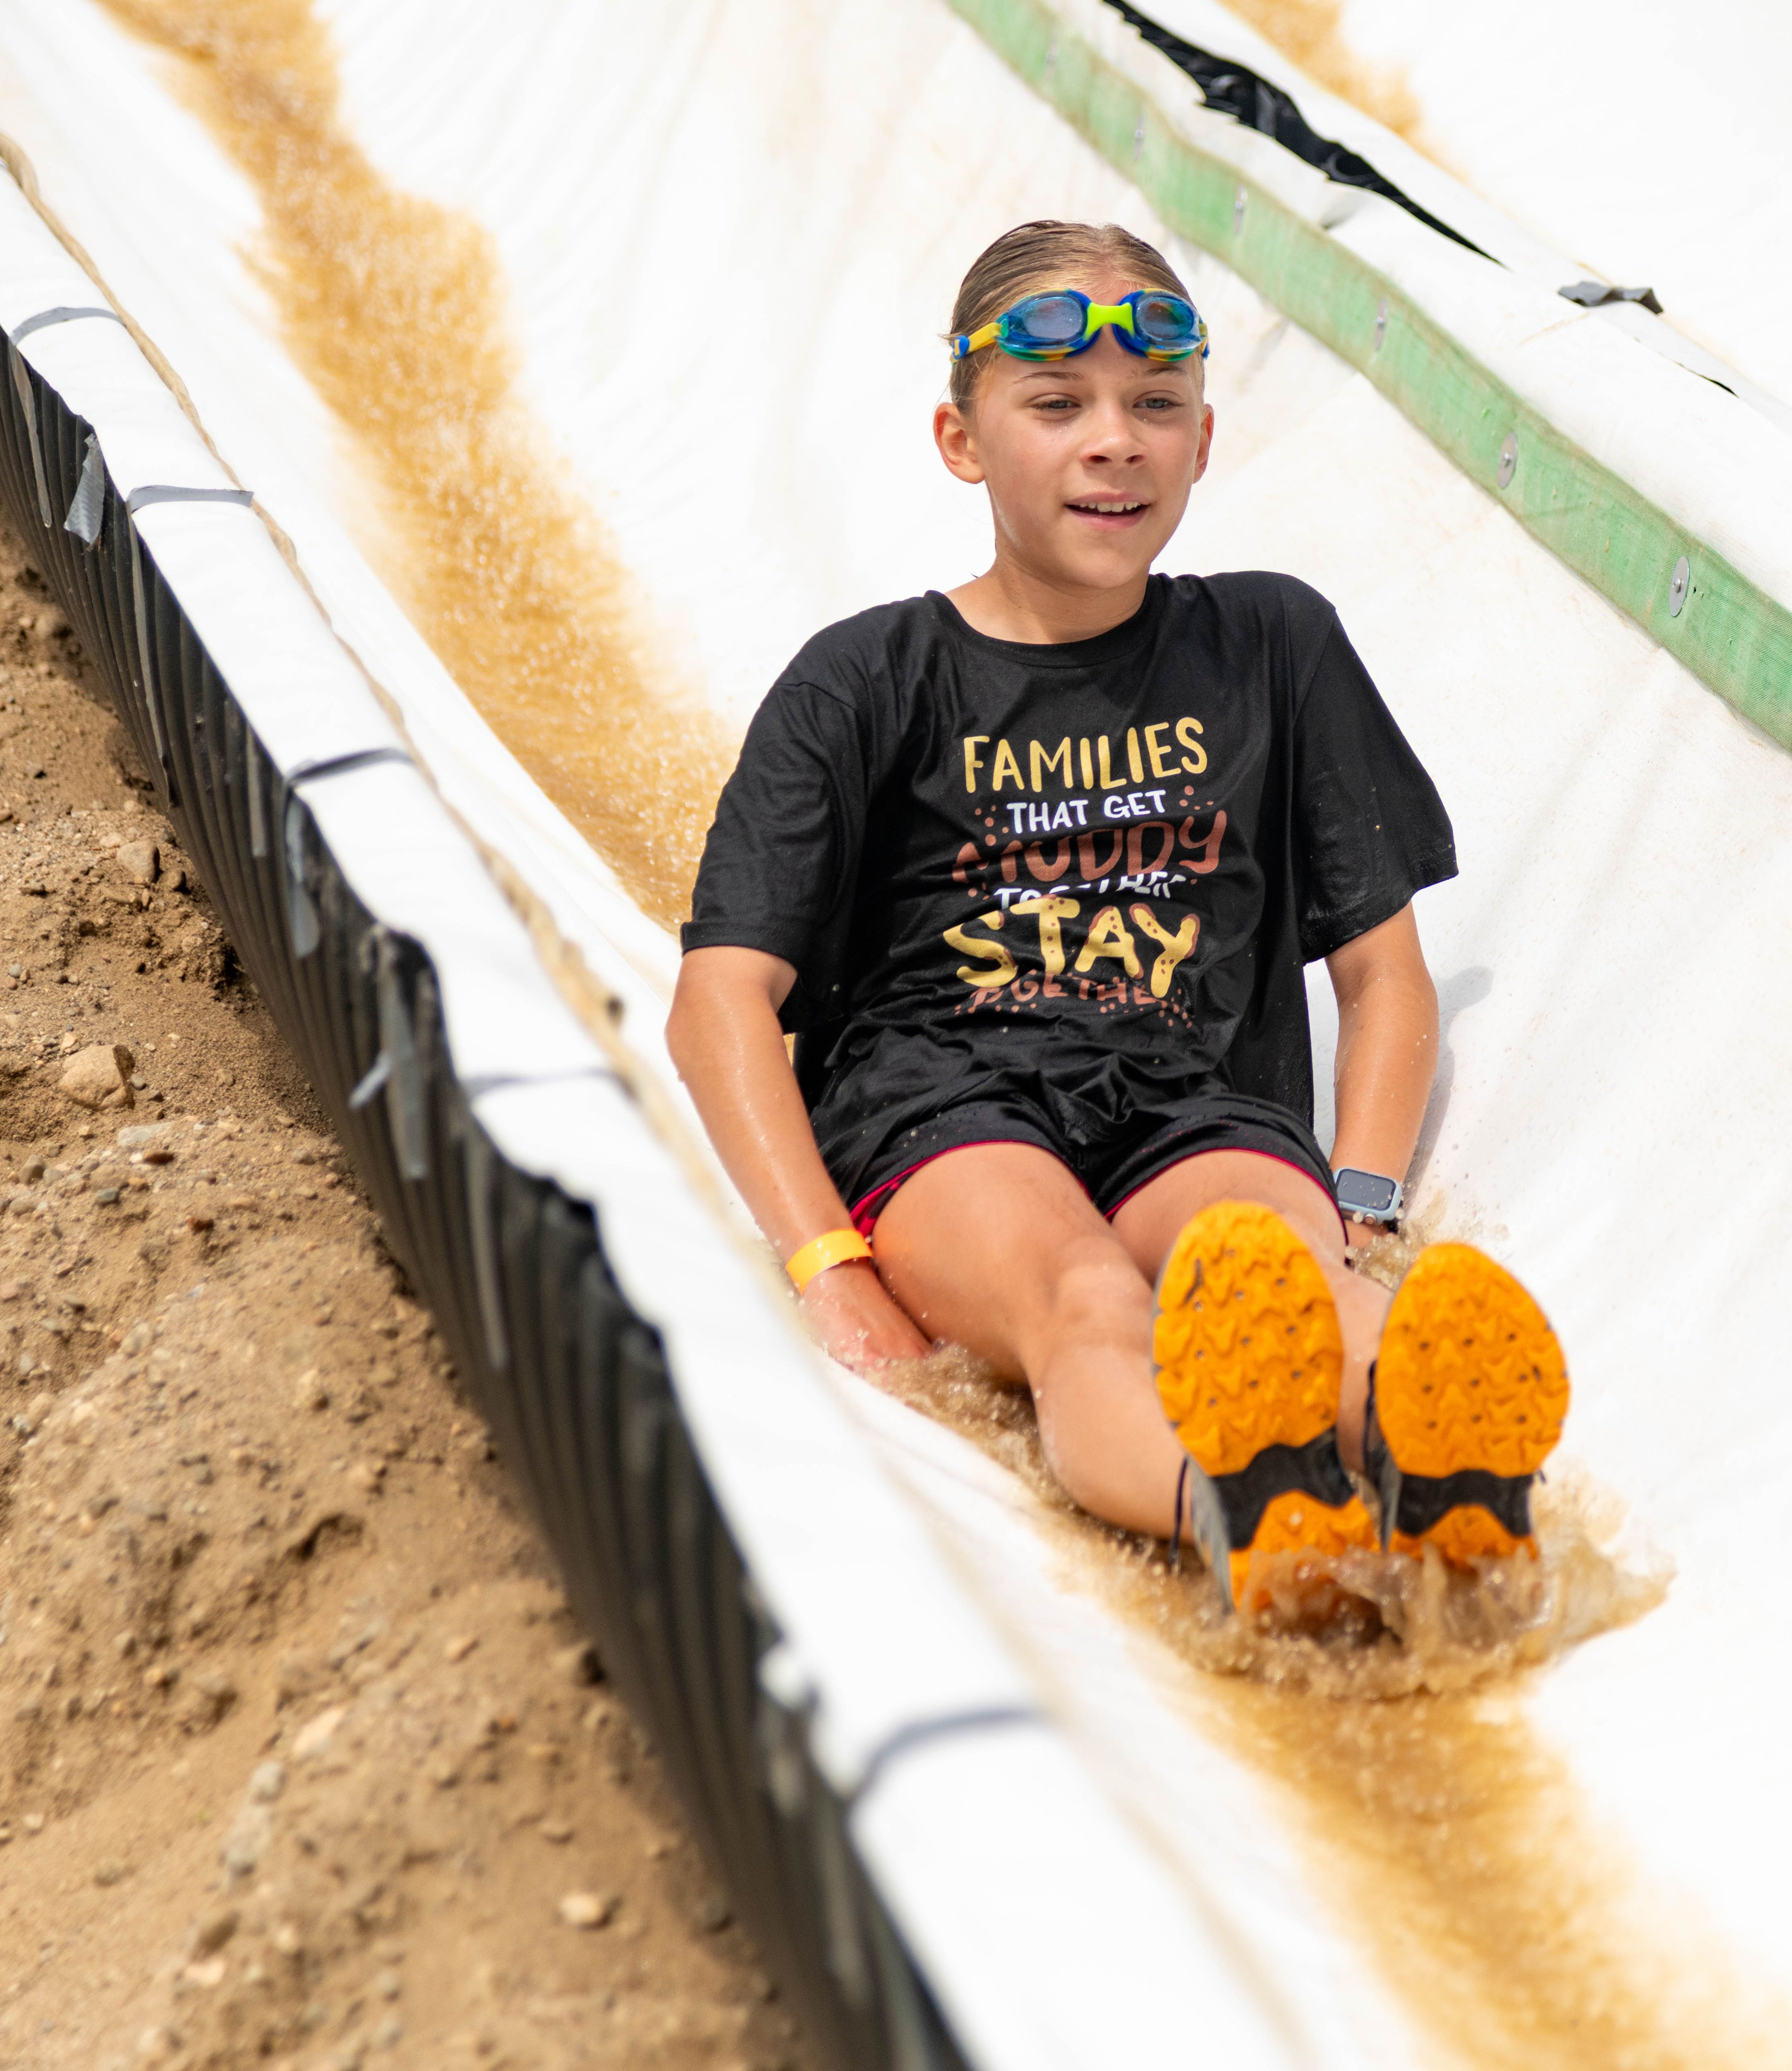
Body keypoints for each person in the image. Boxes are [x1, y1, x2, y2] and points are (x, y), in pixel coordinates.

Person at [668, 219, 1567, 1618]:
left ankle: (1444, 1479)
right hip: (942, 1106)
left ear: (1203, 444)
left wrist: (1363, 1209)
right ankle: (1251, 1515)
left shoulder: (1272, 644)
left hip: (1185, 1099)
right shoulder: (865, 681)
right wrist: (828, 1266)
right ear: (961, 441)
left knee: (1284, 1270)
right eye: (1057, 405)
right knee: (1087, 1298)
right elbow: (720, 1000)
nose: (1116, 442)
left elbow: (1385, 980)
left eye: (1157, 407)